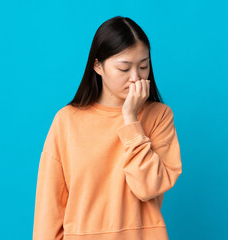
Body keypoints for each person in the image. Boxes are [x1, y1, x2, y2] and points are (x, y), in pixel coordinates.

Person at [32, 16, 183, 240]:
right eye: (124, 68)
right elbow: (49, 208)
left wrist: (131, 120)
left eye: (143, 66)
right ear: (98, 66)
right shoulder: (67, 121)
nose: (136, 78)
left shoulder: (159, 116)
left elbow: (148, 188)